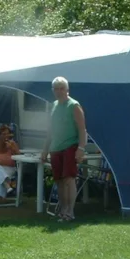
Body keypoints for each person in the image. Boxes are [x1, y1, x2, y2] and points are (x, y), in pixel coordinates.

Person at [40, 76, 87, 222]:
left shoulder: (74, 106)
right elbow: (50, 130)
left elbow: (82, 129)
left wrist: (81, 148)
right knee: (59, 180)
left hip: (70, 147)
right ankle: (62, 209)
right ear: (53, 90)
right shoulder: (53, 105)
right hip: (55, 148)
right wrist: (45, 150)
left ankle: (69, 211)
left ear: (67, 90)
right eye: (57, 89)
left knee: (69, 179)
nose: (59, 91)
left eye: (62, 88)